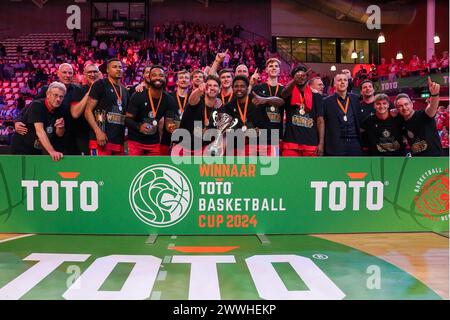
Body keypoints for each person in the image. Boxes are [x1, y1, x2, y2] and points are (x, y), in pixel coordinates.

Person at [125, 65, 176, 156]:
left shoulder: (169, 99)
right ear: (149, 77)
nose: (158, 78)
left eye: (161, 75)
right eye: (154, 75)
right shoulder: (138, 96)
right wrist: (139, 126)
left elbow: (169, 121)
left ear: (165, 78)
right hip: (136, 141)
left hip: (153, 141)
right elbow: (127, 119)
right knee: (134, 169)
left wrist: (170, 127)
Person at [11, 82, 66, 161]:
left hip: (38, 148)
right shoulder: (37, 105)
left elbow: (59, 134)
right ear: (48, 94)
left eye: (61, 97)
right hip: (22, 147)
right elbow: (40, 131)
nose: (58, 99)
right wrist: (52, 151)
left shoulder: (60, 108)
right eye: (55, 95)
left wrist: (61, 127)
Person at [85, 58, 129, 155]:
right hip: (100, 139)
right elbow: (88, 111)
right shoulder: (99, 84)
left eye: (120, 67)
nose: (118, 69)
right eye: (114, 67)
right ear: (108, 70)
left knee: (116, 170)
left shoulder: (124, 90)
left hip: (118, 141)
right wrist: (98, 132)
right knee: (98, 170)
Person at [280, 64, 324, 157]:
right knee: (291, 171)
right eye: (297, 75)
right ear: (293, 77)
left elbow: (320, 121)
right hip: (291, 144)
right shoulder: (289, 93)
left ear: (307, 77)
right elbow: (283, 94)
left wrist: (321, 143)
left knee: (310, 171)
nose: (301, 77)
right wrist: (294, 81)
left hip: (311, 144)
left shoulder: (316, 96)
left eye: (303, 75)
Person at [175, 75, 223, 155]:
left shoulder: (220, 108)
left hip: (204, 150)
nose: (212, 88)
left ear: (219, 90)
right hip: (185, 148)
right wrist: (199, 90)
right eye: (209, 85)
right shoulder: (197, 101)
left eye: (215, 86)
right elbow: (191, 100)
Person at [396, 77, 443, 156]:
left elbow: (432, 108)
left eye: (406, 104)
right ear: (397, 109)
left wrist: (434, 95)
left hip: (434, 159)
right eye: (400, 106)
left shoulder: (423, 115)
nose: (404, 107)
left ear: (411, 104)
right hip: (417, 162)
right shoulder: (401, 122)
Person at [251, 58, 285, 155]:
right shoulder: (258, 87)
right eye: (271, 66)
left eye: (276, 66)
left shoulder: (284, 90)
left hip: (276, 134)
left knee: (273, 166)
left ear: (279, 70)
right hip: (261, 133)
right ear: (266, 70)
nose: (274, 68)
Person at [322, 72, 362, 156]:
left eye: (345, 80)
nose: (343, 82)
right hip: (336, 144)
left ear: (348, 83)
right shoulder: (326, 102)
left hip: (354, 143)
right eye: (339, 80)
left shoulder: (355, 99)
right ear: (334, 84)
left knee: (355, 169)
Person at [70, 63, 102, 155]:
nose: (92, 74)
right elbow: (75, 114)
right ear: (84, 74)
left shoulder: (104, 89)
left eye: (95, 72)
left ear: (99, 73)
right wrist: (92, 89)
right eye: (89, 72)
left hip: (101, 135)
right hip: (83, 136)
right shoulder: (78, 90)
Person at [162, 70, 191, 155]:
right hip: (168, 140)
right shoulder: (168, 97)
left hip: (186, 142)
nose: (184, 80)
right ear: (177, 82)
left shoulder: (193, 99)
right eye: (181, 78)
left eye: (186, 78)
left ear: (190, 82)